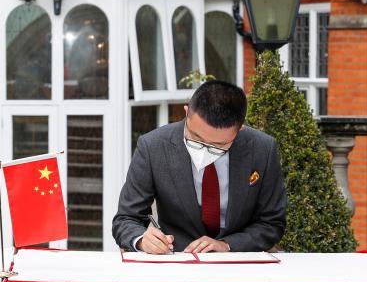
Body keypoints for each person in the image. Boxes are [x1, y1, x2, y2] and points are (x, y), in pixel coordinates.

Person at [112, 80, 286, 254]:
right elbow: (126, 218)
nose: (204, 151)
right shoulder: (153, 146)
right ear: (186, 111)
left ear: (240, 129)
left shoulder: (263, 149)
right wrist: (142, 240)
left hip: (239, 259)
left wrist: (227, 245)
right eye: (195, 138)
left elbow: (272, 223)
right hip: (176, 257)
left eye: (218, 146)